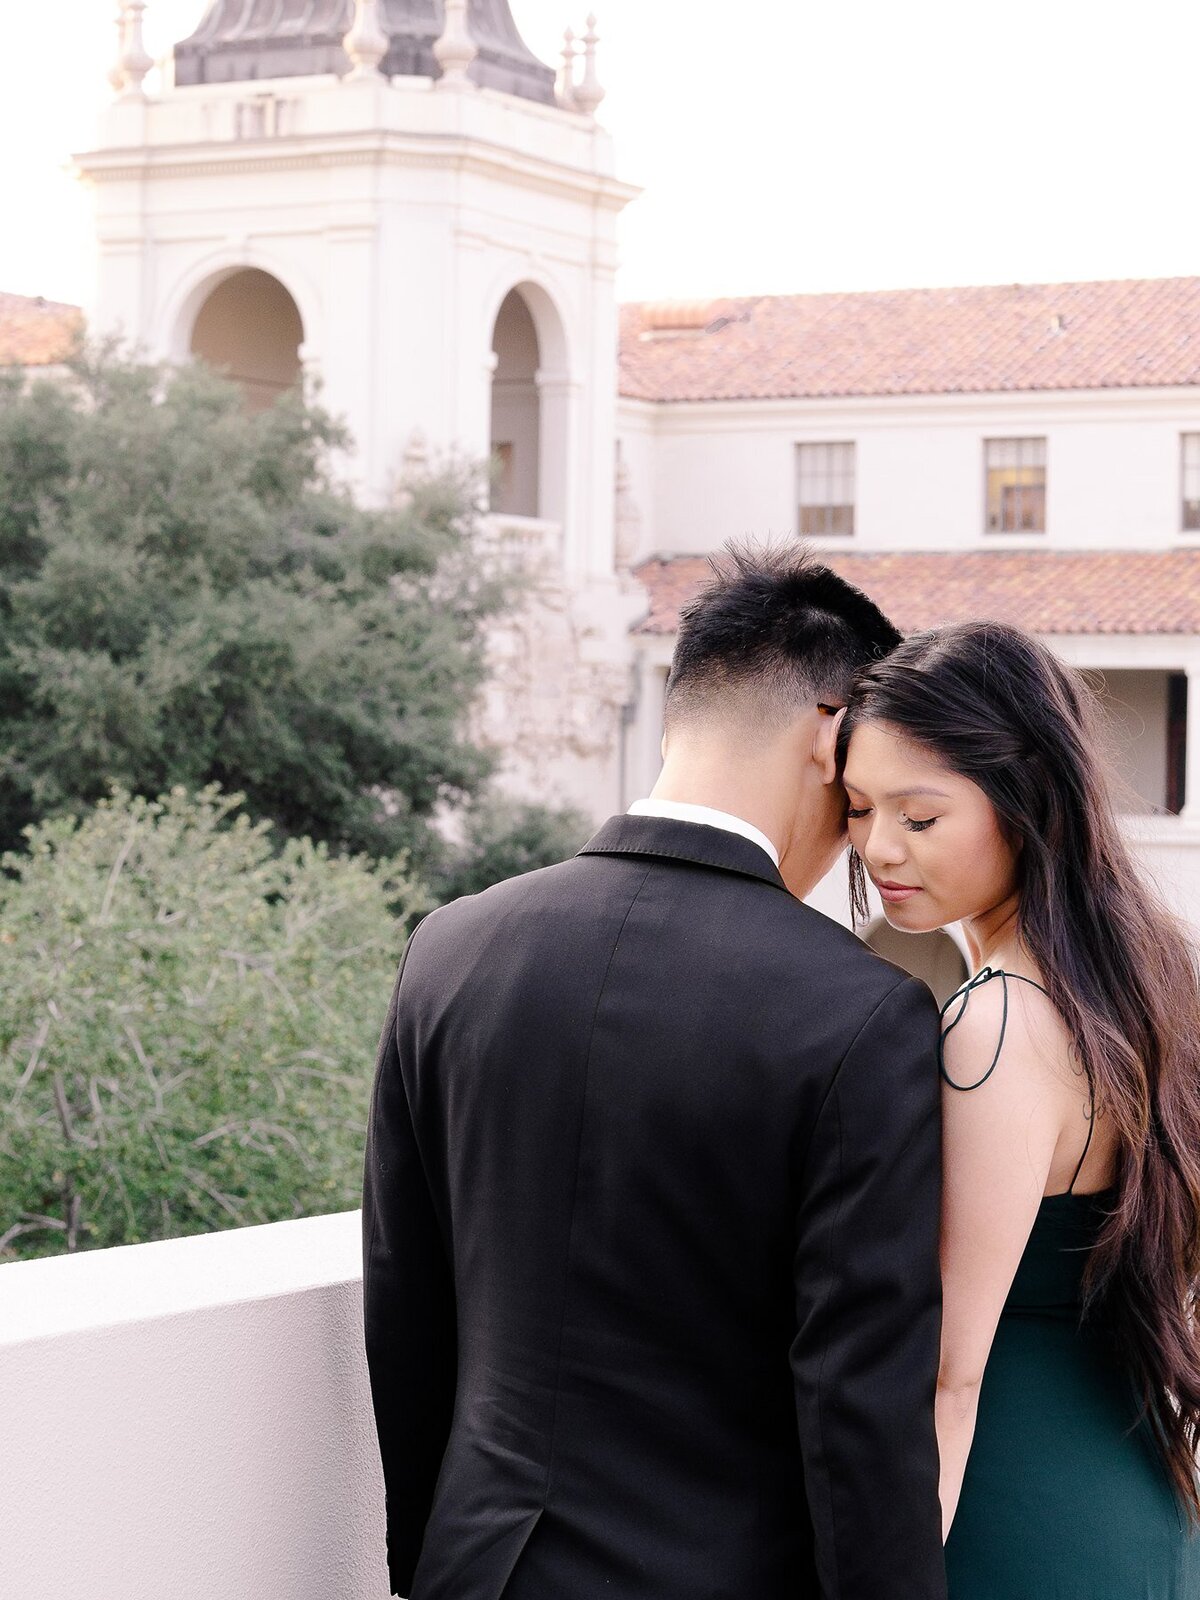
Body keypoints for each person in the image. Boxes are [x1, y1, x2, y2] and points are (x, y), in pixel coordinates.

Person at [362, 544, 948, 1600]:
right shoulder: (861, 1014)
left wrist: (426, 1564)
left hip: (477, 1569)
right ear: (830, 735)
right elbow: (858, 1413)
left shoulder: (450, 947)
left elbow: (408, 1309)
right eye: (865, 792)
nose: (864, 835)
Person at [837, 620, 1200, 1598]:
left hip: (1011, 1509)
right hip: (1127, 1482)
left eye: (920, 817)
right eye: (860, 807)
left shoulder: (995, 1025)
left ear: (1022, 796)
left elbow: (948, 1375)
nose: (878, 847)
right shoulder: (1142, 970)